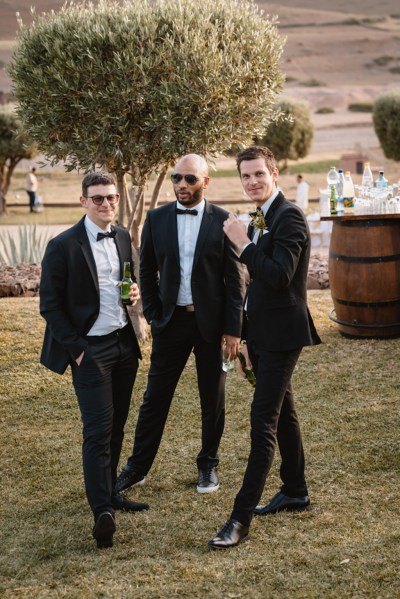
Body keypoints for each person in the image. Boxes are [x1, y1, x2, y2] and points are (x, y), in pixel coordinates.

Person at [208, 146, 321, 550]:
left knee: (263, 422)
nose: (252, 181)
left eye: (259, 174)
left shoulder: (289, 216)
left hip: (285, 335)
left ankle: (239, 519)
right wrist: (245, 340)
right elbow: (254, 286)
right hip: (263, 334)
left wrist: (242, 242)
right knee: (284, 411)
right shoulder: (260, 216)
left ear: (274, 173)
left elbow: (278, 275)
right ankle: (295, 489)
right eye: (245, 176)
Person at [116, 154, 245, 497]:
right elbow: (146, 270)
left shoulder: (223, 221)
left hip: (212, 327)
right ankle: (137, 467)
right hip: (170, 323)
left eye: (189, 179)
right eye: (176, 178)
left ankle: (208, 463)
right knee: (154, 397)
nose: (181, 185)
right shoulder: (156, 219)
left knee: (211, 398)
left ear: (206, 182)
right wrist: (155, 314)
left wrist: (234, 329)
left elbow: (235, 281)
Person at [39, 172, 148, 550]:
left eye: (111, 198)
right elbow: (49, 306)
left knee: (117, 425)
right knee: (97, 430)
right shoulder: (63, 245)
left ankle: (112, 491)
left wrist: (134, 296)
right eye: (97, 198)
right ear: (83, 201)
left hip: (122, 345)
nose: (105, 204)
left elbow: (128, 284)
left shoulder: (121, 236)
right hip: (90, 350)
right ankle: (103, 511)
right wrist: (78, 348)